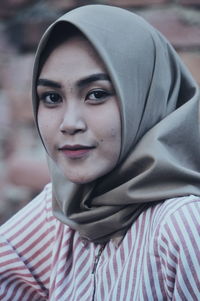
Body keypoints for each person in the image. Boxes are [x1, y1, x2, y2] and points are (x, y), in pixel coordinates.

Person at [0, 4, 200, 301]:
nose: (69, 124)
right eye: (52, 97)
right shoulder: (65, 209)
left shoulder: (181, 225)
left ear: (146, 97)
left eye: (97, 94)